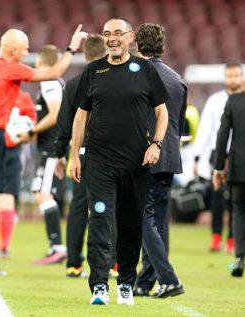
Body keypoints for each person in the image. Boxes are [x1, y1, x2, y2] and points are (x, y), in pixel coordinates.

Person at [0, 26, 87, 274]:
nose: (28, 52)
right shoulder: (11, 68)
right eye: (25, 48)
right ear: (12, 50)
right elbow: (54, 72)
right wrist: (71, 48)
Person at [70, 18, 169, 305]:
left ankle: (126, 282)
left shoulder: (146, 70)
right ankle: (99, 286)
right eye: (107, 34)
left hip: (136, 163)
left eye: (118, 34)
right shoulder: (93, 70)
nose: (112, 39)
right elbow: (81, 116)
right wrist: (75, 154)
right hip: (99, 163)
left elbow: (162, 113)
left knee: (130, 224)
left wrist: (156, 144)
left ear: (130, 38)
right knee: (100, 220)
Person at [133, 23, 186, 298]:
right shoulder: (178, 79)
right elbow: (180, 124)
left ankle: (170, 278)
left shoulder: (138, 75)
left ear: (137, 45)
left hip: (146, 155)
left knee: (143, 218)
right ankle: (146, 282)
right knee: (158, 222)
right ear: (162, 47)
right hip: (171, 157)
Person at [54, 34, 106, 277]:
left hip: (81, 155)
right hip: (109, 154)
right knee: (111, 207)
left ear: (85, 55)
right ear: (105, 52)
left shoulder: (73, 84)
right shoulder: (114, 81)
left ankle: (74, 264)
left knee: (78, 209)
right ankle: (114, 263)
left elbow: (64, 124)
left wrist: (60, 154)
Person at [17, 44, 67, 265]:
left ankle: (57, 247)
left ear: (40, 62)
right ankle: (58, 247)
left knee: (41, 192)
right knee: (44, 192)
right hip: (54, 147)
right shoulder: (59, 83)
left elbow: (55, 115)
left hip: (50, 147)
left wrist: (31, 131)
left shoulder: (49, 82)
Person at [193, 63, 243, 252]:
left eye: (236, 75)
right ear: (225, 77)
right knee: (217, 198)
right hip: (218, 153)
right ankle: (216, 237)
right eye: (230, 75)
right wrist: (197, 157)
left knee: (235, 199)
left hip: (239, 154)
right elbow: (205, 129)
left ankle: (232, 239)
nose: (233, 79)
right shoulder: (215, 100)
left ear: (241, 76)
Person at [0, 91, 36, 258]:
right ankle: (2, 247)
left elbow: (32, 125)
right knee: (5, 198)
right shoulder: (23, 97)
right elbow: (32, 124)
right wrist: (24, 135)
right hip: (10, 150)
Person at [213, 86, 245, 278]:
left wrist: (218, 167)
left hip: (239, 168)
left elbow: (222, 134)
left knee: (239, 211)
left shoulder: (234, 101)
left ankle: (240, 258)